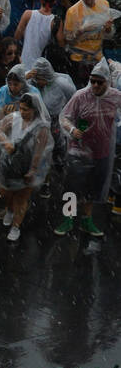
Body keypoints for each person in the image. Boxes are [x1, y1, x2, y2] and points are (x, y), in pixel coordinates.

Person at [56, 61, 121, 239]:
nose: (95, 85)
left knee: (93, 189)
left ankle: (86, 220)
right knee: (71, 188)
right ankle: (67, 219)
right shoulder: (80, 96)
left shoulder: (115, 97)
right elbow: (64, 117)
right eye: (92, 81)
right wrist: (71, 130)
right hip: (78, 152)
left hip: (101, 152)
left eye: (99, 82)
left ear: (108, 82)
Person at [0, 92, 54, 243]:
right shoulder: (14, 118)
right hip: (8, 163)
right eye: (21, 108)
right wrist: (6, 142)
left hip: (26, 165)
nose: (22, 112)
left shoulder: (41, 128)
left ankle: (16, 226)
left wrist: (33, 170)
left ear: (34, 110)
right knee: (5, 192)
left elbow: (39, 152)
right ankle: (10, 210)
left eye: (26, 109)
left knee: (21, 197)